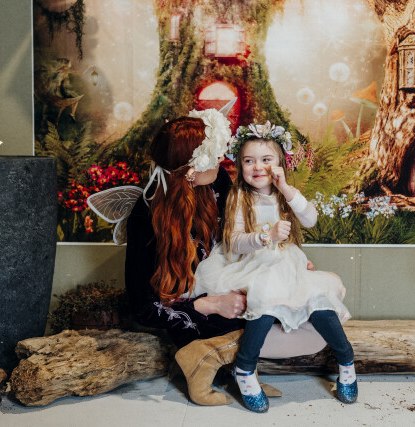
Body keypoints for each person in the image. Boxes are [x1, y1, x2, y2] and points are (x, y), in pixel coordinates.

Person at [122, 110, 327, 407]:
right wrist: (211, 304)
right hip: (194, 311)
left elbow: (240, 239)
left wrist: (286, 262)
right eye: (214, 156)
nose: (222, 160)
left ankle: (231, 363)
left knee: (315, 320)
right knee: (294, 329)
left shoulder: (215, 182)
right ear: (190, 171)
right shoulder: (146, 217)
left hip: (234, 281)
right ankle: (211, 358)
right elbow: (142, 305)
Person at [192, 121, 358, 412]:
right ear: (240, 165)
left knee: (318, 295)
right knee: (265, 294)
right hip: (251, 262)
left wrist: (286, 189)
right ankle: (245, 368)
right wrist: (265, 237)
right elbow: (234, 242)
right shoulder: (239, 196)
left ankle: (346, 360)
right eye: (249, 161)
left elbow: (310, 219)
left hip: (286, 261)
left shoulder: (285, 194)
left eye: (266, 160)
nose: (258, 167)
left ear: (280, 164)